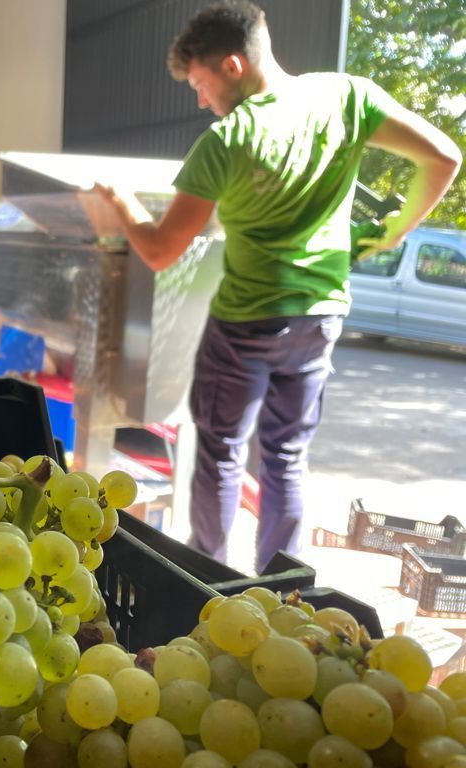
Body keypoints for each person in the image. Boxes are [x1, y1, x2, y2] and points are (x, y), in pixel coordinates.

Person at [95, 0, 461, 572]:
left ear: (233, 66)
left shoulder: (228, 141)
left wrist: (120, 203)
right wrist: (393, 232)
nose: (200, 99)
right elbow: (443, 157)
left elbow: (161, 251)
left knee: (219, 455)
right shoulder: (347, 97)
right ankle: (283, 589)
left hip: (246, 320)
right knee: (287, 457)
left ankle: (207, 580)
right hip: (320, 315)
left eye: (200, 82)